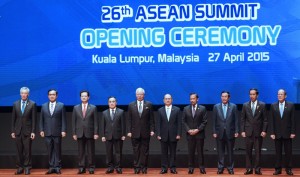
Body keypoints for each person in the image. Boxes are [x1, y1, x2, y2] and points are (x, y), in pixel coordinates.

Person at [127, 87, 155, 174]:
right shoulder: (131, 105)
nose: (139, 96)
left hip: (146, 132)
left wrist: (152, 130)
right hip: (134, 132)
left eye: (141, 94)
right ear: (136, 95)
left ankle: (144, 167)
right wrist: (129, 131)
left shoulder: (149, 104)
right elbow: (129, 120)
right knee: (136, 151)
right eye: (138, 94)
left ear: (144, 95)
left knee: (145, 151)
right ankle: (136, 167)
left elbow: (151, 119)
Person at [241, 88, 268, 175]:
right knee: (248, 151)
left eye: (253, 94)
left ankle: (257, 169)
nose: (252, 96)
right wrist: (242, 130)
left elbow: (265, 120)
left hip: (258, 132)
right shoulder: (245, 105)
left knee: (257, 152)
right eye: (250, 94)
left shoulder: (262, 105)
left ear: (257, 95)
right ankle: (249, 169)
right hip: (248, 132)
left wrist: (264, 130)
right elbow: (242, 119)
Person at [39, 89, 67, 175]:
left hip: (57, 131)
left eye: (53, 94)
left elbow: (64, 119)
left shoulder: (61, 105)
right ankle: (51, 167)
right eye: (50, 94)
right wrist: (41, 130)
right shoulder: (43, 106)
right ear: (48, 96)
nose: (52, 96)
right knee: (50, 150)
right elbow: (41, 120)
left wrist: (63, 130)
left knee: (57, 150)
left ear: (56, 96)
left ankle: (57, 167)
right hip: (47, 132)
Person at [11, 87, 37, 175]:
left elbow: (34, 119)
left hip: (28, 131)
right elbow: (13, 119)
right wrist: (12, 131)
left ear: (28, 94)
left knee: (27, 150)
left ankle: (27, 167)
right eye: (22, 93)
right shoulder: (15, 104)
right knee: (19, 150)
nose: (23, 94)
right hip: (18, 131)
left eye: (25, 93)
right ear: (20, 94)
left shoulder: (32, 104)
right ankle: (19, 167)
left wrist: (33, 131)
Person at [72, 90, 99, 174]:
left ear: (88, 97)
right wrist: (74, 133)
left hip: (90, 132)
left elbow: (96, 122)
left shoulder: (93, 107)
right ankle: (81, 167)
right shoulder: (76, 108)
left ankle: (91, 167)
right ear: (80, 97)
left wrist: (96, 133)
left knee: (91, 151)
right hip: (79, 132)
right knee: (81, 152)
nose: (84, 97)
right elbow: (73, 121)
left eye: (85, 96)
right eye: (82, 96)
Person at [270, 89, 296, 176]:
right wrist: (272, 133)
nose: (279, 96)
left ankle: (288, 169)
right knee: (278, 152)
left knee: (288, 152)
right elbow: (272, 121)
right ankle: (278, 169)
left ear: (285, 96)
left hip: (288, 133)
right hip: (277, 133)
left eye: (281, 94)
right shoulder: (273, 106)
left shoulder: (291, 105)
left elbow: (293, 120)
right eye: (278, 94)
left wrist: (292, 132)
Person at [212, 91, 239, 175]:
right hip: (219, 132)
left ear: (229, 97)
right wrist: (214, 131)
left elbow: (236, 120)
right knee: (220, 152)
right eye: (222, 96)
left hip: (230, 132)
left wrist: (237, 131)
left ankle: (230, 168)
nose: (224, 98)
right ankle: (220, 168)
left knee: (230, 152)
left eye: (225, 96)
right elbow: (214, 121)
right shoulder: (216, 107)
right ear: (221, 97)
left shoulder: (234, 106)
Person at [182, 92, 207, 174]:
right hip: (190, 134)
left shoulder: (203, 108)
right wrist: (188, 130)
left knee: (200, 152)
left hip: (199, 134)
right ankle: (191, 168)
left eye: (193, 98)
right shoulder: (186, 109)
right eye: (191, 99)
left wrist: (197, 130)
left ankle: (202, 167)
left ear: (197, 99)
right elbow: (183, 121)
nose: (192, 100)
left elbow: (204, 121)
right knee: (190, 152)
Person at [156, 94, 181, 174]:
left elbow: (179, 123)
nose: (167, 100)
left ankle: (173, 168)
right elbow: (158, 123)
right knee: (164, 153)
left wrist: (178, 134)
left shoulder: (177, 109)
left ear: (172, 100)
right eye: (166, 99)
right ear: (163, 100)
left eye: (169, 99)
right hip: (163, 135)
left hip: (174, 135)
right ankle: (164, 168)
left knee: (173, 152)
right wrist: (158, 134)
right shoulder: (160, 110)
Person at [101, 96, 126, 174]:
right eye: (110, 102)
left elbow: (123, 124)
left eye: (113, 101)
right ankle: (110, 168)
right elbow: (103, 125)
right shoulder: (104, 112)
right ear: (108, 103)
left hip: (118, 135)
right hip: (108, 135)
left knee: (118, 152)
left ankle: (118, 167)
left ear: (116, 102)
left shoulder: (121, 112)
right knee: (109, 153)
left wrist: (123, 134)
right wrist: (103, 135)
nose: (112, 103)